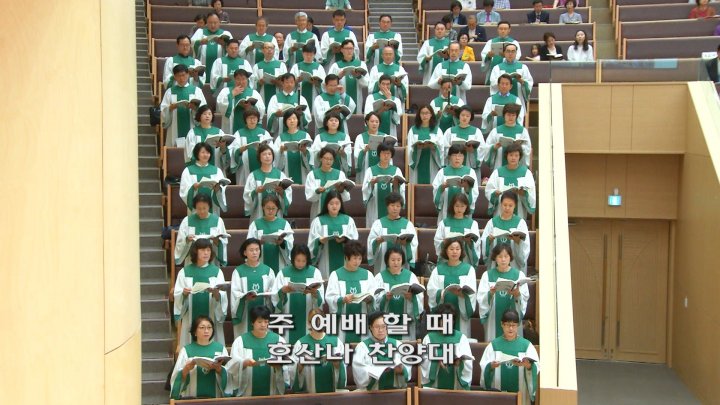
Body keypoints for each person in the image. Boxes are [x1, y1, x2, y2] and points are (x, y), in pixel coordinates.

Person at [173, 239, 228, 348]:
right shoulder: (184, 272)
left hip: (211, 313)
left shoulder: (217, 272)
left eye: (208, 250)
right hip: (190, 316)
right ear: (195, 252)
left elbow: (222, 296)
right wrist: (184, 294)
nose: (206, 253)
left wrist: (216, 293)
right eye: (202, 250)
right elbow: (178, 294)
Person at [479, 309, 539, 405]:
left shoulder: (527, 346)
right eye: (507, 325)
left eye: (513, 325)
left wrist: (528, 366)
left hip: (521, 393)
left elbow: (535, 368)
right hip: (497, 394)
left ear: (518, 325)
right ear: (502, 324)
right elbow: (484, 366)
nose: (510, 329)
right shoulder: (493, 345)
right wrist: (491, 366)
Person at [228, 306, 290, 396]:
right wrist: (244, 363)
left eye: (266, 321)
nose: (263, 325)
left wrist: (279, 365)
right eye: (260, 322)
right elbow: (232, 365)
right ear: (252, 322)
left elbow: (287, 365)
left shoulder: (279, 340)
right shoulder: (240, 341)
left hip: (272, 392)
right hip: (247, 393)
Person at [325, 241, 377, 344]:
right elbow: (330, 297)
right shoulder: (336, 275)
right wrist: (342, 300)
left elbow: (374, 295)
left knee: (362, 348)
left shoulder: (368, 275)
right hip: (343, 321)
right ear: (346, 257)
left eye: (359, 258)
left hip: (362, 320)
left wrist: (370, 299)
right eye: (354, 258)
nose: (357, 262)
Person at [272, 246, 325, 344]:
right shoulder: (283, 273)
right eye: (298, 260)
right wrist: (282, 291)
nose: (300, 264)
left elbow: (320, 298)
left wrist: (314, 292)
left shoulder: (315, 272)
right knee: (288, 342)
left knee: (307, 345)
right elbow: (275, 297)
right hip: (288, 314)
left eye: (304, 261)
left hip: (308, 314)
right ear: (293, 259)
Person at [477, 244, 530, 341]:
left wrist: (517, 294)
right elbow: (481, 298)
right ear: (495, 258)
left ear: (510, 257)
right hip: (493, 317)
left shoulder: (519, 275)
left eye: (506, 256)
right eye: (500, 256)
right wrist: (490, 294)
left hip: (513, 314)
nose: (503, 259)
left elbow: (525, 297)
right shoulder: (487, 275)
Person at [426, 239, 477, 336]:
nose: (455, 252)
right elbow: (431, 291)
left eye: (457, 249)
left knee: (460, 341)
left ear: (461, 251)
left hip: (461, 317)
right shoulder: (438, 270)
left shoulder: (469, 270)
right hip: (442, 315)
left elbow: (472, 293)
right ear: (446, 251)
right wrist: (442, 293)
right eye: (451, 249)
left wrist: (462, 295)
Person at [170, 316, 230, 399]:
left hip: (215, 397)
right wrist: (186, 369)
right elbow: (177, 376)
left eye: (209, 327)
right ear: (195, 331)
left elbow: (229, 375)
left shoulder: (220, 348)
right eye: (202, 327)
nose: (206, 331)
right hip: (192, 397)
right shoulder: (186, 350)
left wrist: (219, 369)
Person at [290, 308, 347, 393]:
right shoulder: (300, 344)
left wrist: (337, 364)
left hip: (332, 394)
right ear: (309, 323)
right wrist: (300, 366)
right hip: (310, 394)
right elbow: (293, 371)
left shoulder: (336, 342)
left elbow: (343, 368)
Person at [373, 247, 424, 340]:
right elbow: (374, 299)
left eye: (398, 260)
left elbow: (419, 298)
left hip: (406, 319)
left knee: (405, 345)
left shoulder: (410, 276)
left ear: (402, 260)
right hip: (386, 319)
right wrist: (385, 298)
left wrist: (411, 298)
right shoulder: (380, 277)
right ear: (387, 261)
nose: (396, 263)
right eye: (393, 260)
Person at [352, 311, 411, 389]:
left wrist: (401, 370)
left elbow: (408, 368)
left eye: (383, 326)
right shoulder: (362, 347)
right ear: (370, 327)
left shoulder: (398, 345)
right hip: (371, 393)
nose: (380, 330)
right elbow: (359, 373)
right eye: (377, 327)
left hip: (396, 392)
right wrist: (376, 372)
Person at [230, 239, 276, 338]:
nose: (254, 252)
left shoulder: (268, 271)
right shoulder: (238, 271)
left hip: (264, 309)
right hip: (245, 313)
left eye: (257, 249)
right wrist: (244, 297)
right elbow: (235, 293)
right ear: (245, 252)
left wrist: (269, 294)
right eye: (251, 250)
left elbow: (275, 292)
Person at [420, 304, 473, 389]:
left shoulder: (461, 338)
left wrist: (460, 362)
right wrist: (436, 362)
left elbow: (468, 362)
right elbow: (423, 361)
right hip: (434, 388)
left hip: (456, 387)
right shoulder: (429, 338)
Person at [308, 190, 358, 278]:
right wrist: (319, 241)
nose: (334, 206)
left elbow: (355, 242)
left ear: (341, 204)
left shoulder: (348, 220)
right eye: (331, 203)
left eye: (337, 203)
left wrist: (345, 240)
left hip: (344, 259)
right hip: (325, 260)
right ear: (326, 204)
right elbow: (311, 243)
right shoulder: (318, 221)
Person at [480, 191, 530, 273]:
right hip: (495, 265)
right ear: (501, 204)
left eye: (510, 205)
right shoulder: (492, 222)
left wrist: (518, 242)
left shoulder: (520, 223)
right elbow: (485, 241)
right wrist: (489, 240)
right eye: (505, 205)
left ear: (515, 206)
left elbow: (526, 246)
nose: (507, 208)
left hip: (514, 265)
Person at [367, 192, 417, 274]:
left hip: (402, 265)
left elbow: (414, 244)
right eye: (392, 205)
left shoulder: (408, 224)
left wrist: (406, 244)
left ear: (401, 207)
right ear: (387, 206)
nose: (395, 208)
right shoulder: (378, 223)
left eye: (398, 206)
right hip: (382, 264)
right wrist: (377, 242)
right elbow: (371, 242)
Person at [175, 194, 229, 267]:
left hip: (211, 261)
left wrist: (217, 241)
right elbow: (180, 241)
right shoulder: (187, 221)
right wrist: (187, 240)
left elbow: (223, 242)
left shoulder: (218, 221)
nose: (202, 211)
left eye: (204, 208)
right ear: (195, 207)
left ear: (209, 206)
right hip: (192, 260)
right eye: (199, 208)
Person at [242, 144, 292, 222]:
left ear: (273, 157)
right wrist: (256, 191)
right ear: (259, 157)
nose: (267, 156)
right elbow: (247, 196)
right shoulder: (253, 176)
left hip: (277, 216)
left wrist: (282, 193)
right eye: (264, 154)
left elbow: (288, 195)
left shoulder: (280, 175)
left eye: (269, 154)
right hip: (258, 214)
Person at [161, 64, 208, 147]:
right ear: (174, 77)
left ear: (188, 74)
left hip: (192, 126)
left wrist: (195, 109)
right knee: (175, 152)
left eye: (183, 75)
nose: (181, 78)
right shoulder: (170, 92)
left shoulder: (196, 91)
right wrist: (171, 107)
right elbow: (163, 111)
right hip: (174, 127)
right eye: (178, 76)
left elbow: (204, 110)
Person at [485, 144, 536, 219]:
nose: (513, 158)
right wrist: (495, 193)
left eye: (516, 155)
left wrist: (523, 193)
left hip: (519, 211)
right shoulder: (498, 172)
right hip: (500, 211)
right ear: (506, 156)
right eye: (511, 155)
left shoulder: (526, 173)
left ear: (520, 157)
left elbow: (531, 191)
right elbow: (489, 189)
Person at [432, 145, 480, 224]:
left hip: (463, 212)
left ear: (464, 157)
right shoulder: (442, 172)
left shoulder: (470, 172)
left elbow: (474, 192)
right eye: (454, 155)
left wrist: (467, 188)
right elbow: (436, 190)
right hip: (446, 210)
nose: (457, 158)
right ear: (449, 157)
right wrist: (442, 187)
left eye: (460, 155)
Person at [247, 194, 294, 274]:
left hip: (279, 262)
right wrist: (257, 243)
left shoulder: (284, 224)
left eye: (273, 208)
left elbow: (290, 244)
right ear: (263, 207)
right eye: (268, 208)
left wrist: (282, 243)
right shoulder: (255, 224)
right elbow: (248, 244)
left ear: (277, 209)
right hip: (261, 261)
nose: (270, 211)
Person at [433, 191, 482, 267]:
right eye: (457, 206)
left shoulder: (472, 224)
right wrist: (444, 242)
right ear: (452, 206)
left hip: (465, 260)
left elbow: (477, 243)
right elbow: (437, 241)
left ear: (466, 207)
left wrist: (470, 242)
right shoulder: (444, 223)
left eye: (462, 206)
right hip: (447, 260)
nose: (459, 209)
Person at [227, 109, 274, 186]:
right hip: (244, 167)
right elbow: (233, 149)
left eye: (254, 118)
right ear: (245, 119)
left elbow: (271, 150)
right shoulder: (239, 133)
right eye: (250, 118)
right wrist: (240, 150)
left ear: (257, 119)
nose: (252, 120)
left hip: (262, 165)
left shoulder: (264, 133)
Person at [362, 145, 406, 227]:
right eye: (383, 153)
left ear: (391, 155)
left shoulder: (396, 170)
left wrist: (395, 184)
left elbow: (401, 191)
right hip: (375, 206)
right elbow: (365, 190)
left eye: (388, 153)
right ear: (379, 154)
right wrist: (372, 184)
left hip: (391, 206)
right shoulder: (370, 171)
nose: (386, 156)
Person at [179, 142, 228, 216]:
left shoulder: (217, 171)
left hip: (213, 209)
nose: (205, 155)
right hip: (195, 211)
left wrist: (217, 189)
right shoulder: (188, 171)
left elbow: (222, 191)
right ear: (197, 153)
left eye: (208, 153)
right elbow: (184, 191)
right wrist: (194, 188)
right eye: (203, 152)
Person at [305, 148, 352, 220]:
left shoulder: (339, 174)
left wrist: (341, 190)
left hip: (335, 211)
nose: (328, 161)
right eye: (326, 158)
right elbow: (309, 196)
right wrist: (317, 191)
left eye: (331, 159)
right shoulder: (312, 174)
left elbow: (346, 198)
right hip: (318, 210)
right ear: (321, 158)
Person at [216, 69, 265, 135]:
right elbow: (221, 106)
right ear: (234, 80)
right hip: (232, 124)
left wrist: (250, 108)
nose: (241, 82)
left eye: (243, 79)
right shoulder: (226, 91)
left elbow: (261, 110)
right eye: (238, 79)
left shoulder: (254, 93)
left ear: (247, 80)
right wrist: (232, 94)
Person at [484, 104, 532, 171]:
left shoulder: (523, 131)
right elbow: (487, 147)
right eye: (508, 115)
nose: (511, 117)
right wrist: (494, 147)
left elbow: (528, 148)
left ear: (516, 116)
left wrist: (520, 147)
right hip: (499, 164)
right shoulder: (496, 131)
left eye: (513, 115)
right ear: (504, 115)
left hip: (517, 167)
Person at [191, 12, 233, 87]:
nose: (213, 25)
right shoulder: (200, 32)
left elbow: (233, 49)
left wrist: (224, 45)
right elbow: (192, 44)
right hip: (203, 64)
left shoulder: (226, 33)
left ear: (219, 22)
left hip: (220, 67)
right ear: (206, 23)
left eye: (215, 23)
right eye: (210, 23)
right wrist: (200, 42)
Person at [328, 39, 369, 114]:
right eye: (347, 48)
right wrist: (338, 77)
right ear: (342, 50)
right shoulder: (336, 66)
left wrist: (359, 76)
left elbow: (366, 84)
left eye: (351, 48)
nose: (349, 51)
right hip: (340, 99)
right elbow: (328, 84)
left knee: (356, 119)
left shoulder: (361, 64)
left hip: (357, 99)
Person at [407, 105, 444, 184]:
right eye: (422, 113)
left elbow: (442, 149)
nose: (424, 115)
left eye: (427, 113)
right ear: (419, 115)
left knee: (432, 185)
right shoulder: (413, 130)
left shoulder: (437, 130)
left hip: (432, 164)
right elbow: (409, 149)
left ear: (431, 115)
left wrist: (433, 147)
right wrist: (417, 148)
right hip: (417, 165)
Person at [443, 106, 485, 174]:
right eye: (462, 115)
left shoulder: (476, 131)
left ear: (471, 117)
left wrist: (473, 151)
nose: (465, 118)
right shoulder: (450, 131)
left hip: (469, 165)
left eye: (467, 116)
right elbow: (443, 148)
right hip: (453, 167)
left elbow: (482, 148)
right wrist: (451, 149)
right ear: (459, 115)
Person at [274, 110, 313, 184]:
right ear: (285, 121)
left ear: (298, 120)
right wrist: (280, 151)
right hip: (286, 170)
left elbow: (311, 153)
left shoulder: (305, 135)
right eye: (289, 119)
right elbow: (275, 154)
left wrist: (305, 151)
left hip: (302, 171)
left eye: (294, 118)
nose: (292, 121)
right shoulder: (280, 137)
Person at [354, 111, 393, 184]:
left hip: (382, 170)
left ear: (379, 123)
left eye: (377, 122)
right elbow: (356, 155)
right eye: (372, 121)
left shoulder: (385, 137)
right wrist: (364, 151)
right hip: (365, 169)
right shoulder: (360, 137)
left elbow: (389, 155)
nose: (374, 124)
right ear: (367, 122)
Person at [290, 45, 326, 113]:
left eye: (311, 55)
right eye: (306, 54)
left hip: (314, 94)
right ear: (303, 53)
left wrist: (317, 83)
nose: (308, 56)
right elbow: (290, 82)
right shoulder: (296, 66)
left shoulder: (319, 67)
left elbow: (324, 83)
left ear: (314, 54)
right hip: (299, 94)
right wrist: (296, 81)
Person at [252, 42, 287, 111]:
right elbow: (253, 85)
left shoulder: (281, 65)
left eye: (271, 48)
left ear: (274, 50)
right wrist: (259, 83)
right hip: (262, 96)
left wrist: (277, 82)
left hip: (278, 96)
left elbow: (286, 84)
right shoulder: (257, 66)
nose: (269, 50)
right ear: (262, 50)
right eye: (267, 48)